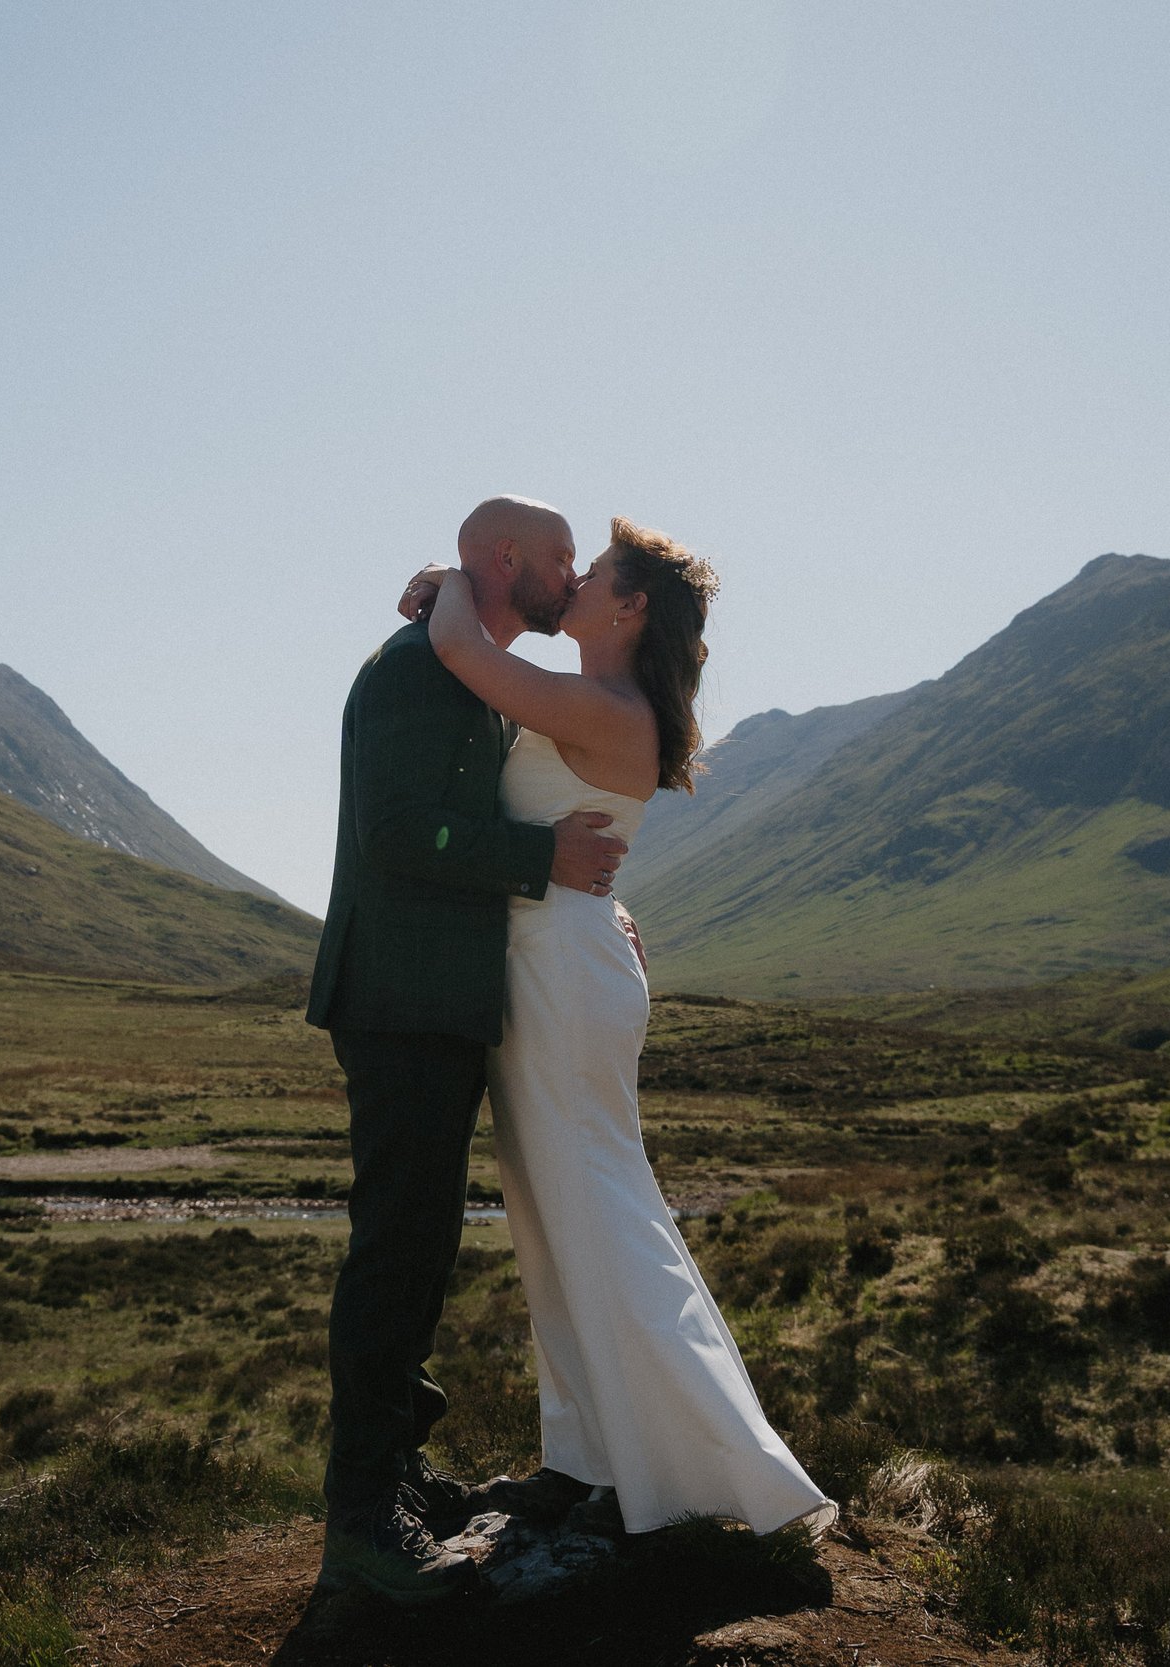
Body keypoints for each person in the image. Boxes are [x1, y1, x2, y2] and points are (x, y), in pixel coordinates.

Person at [398, 515, 837, 1544]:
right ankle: (590, 1457)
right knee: (557, 1212)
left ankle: (706, 1470)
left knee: (592, 1205)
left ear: (629, 605)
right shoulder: (606, 701)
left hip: (558, 973)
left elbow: (461, 649)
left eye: (593, 572)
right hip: (551, 962)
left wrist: (443, 577)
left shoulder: (604, 702)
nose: (578, 581)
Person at [306, 496, 630, 1605]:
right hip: (396, 996)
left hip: (434, 999)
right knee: (396, 1242)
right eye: (558, 559)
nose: (570, 574)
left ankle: (391, 1468)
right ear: (506, 558)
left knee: (418, 1238)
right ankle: (360, 1520)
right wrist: (544, 855)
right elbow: (402, 832)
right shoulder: (415, 669)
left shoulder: (465, 663)